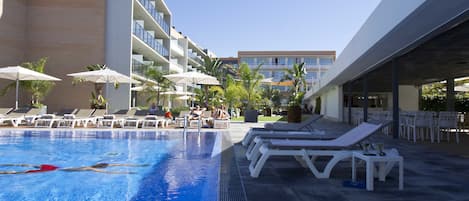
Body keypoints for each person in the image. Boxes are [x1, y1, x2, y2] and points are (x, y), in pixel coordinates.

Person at [0, 163, 148, 174]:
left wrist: (133, 167)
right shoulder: (88, 168)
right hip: (56, 170)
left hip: (56, 168)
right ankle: (5, 171)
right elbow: (105, 170)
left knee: (25, 168)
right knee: (23, 172)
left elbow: (111, 166)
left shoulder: (89, 167)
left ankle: (6, 170)